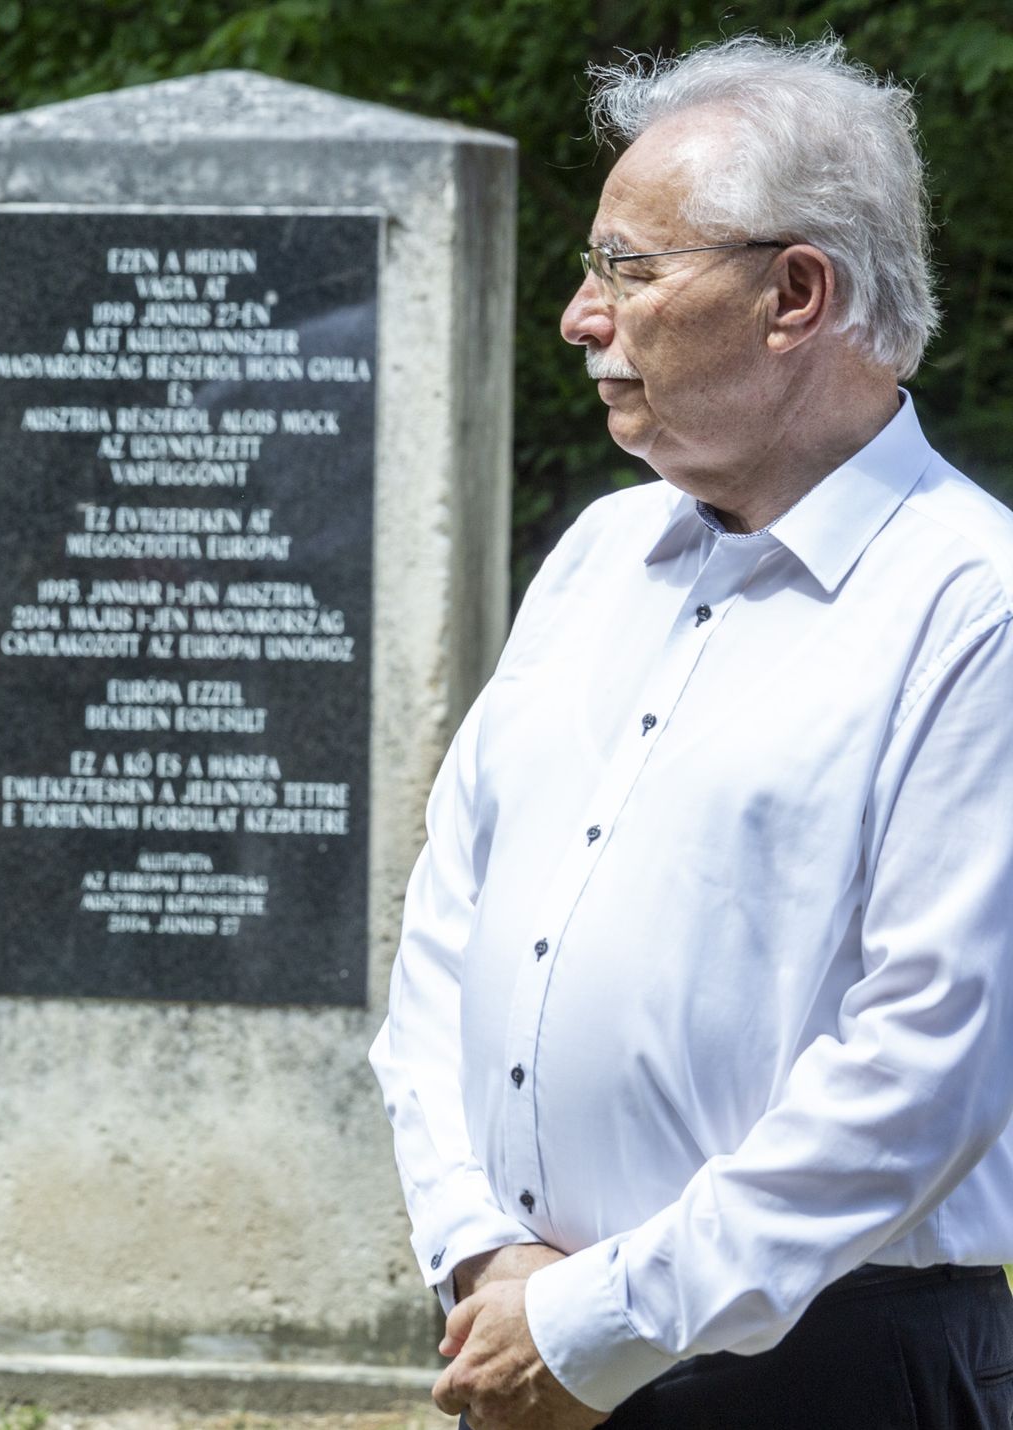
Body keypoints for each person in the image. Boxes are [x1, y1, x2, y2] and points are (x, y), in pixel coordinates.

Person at [368, 36, 1013, 1430]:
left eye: (627, 269)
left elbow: (925, 1064)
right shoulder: (600, 554)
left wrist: (601, 1319)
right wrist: (489, 1254)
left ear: (794, 293)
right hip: (518, 1339)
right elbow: (445, 930)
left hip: (825, 1376)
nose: (579, 318)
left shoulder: (974, 606)